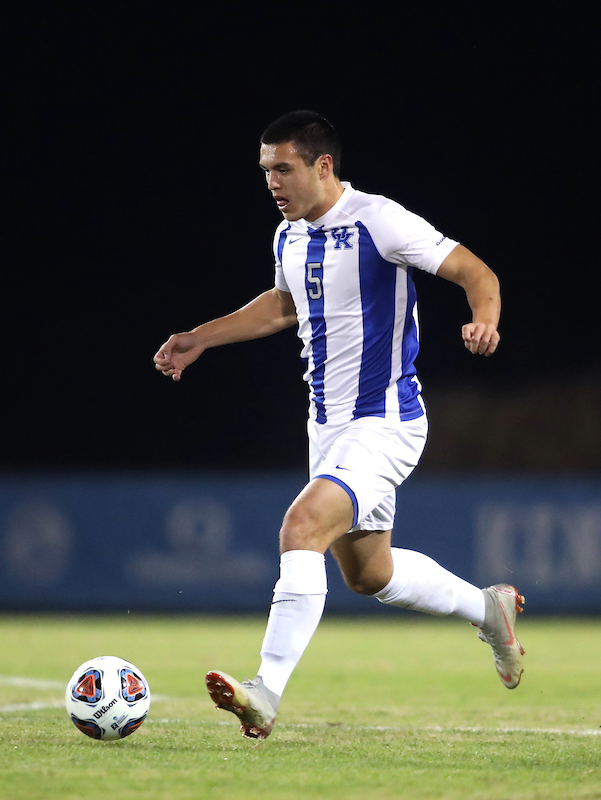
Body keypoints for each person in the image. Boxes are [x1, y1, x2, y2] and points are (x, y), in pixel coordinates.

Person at [153, 110, 523, 741]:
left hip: (384, 420)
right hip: (326, 427)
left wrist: (483, 318)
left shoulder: (379, 220)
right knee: (368, 574)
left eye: (284, 168)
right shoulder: (288, 235)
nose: (272, 181)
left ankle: (264, 693)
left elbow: (476, 273)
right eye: (265, 170)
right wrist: (198, 339)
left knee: (301, 527)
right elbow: (283, 306)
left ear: (323, 165)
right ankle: (488, 610)